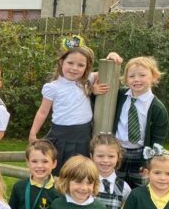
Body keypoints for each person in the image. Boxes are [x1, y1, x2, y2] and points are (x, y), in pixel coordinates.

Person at [28, 36, 118, 174]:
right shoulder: (53, 87)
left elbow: (107, 71)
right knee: (58, 171)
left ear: (86, 67)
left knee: (79, 172)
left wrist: (112, 56)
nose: (74, 68)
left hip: (83, 136)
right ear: (61, 62)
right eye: (70, 63)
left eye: (81, 65)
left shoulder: (86, 80)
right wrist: (33, 132)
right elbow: (43, 111)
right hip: (60, 135)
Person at [112, 56, 169, 188]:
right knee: (115, 188)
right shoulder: (118, 96)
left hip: (140, 156)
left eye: (142, 75)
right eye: (131, 76)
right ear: (126, 79)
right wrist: (111, 58)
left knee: (139, 191)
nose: (136, 79)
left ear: (154, 77)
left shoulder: (157, 108)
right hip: (116, 153)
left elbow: (157, 140)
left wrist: (148, 163)